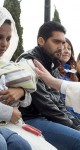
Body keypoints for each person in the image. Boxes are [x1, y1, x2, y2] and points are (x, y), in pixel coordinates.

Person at [17, 21, 80, 150]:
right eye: (56, 42)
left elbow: (59, 102)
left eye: (63, 43)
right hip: (31, 118)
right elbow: (45, 105)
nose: (61, 47)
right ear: (41, 40)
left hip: (46, 117)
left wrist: (78, 123)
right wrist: (74, 126)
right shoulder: (30, 61)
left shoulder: (52, 64)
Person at [0, 7, 56, 150]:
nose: (4, 44)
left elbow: (28, 100)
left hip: (11, 123)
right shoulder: (29, 60)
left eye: (8, 38)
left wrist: (21, 92)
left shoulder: (7, 66)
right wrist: (8, 112)